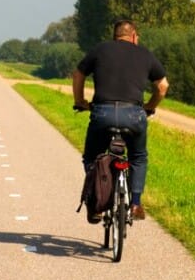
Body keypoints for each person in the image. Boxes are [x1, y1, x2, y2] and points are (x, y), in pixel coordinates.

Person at [72, 19, 168, 222]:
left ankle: (97, 202)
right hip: (133, 115)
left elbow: (78, 74)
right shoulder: (145, 54)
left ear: (115, 36)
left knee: (92, 156)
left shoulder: (100, 50)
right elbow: (162, 86)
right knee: (138, 157)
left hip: (102, 113)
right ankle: (135, 204)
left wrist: (80, 101)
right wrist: (150, 106)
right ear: (133, 36)